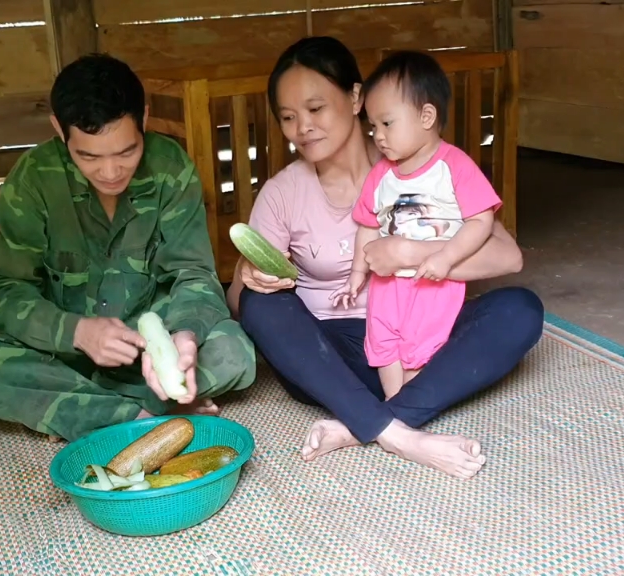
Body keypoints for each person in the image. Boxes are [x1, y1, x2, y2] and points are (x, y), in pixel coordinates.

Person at [226, 37, 544, 480]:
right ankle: (400, 433)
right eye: (288, 117)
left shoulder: (424, 168)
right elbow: (242, 306)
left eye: (316, 109)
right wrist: (249, 276)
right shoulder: (283, 193)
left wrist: (411, 254)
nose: (303, 127)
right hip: (332, 356)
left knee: (519, 309)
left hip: (423, 338)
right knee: (263, 307)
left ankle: (362, 424)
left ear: (356, 97)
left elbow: (507, 257)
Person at [0, 53, 257, 443]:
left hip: (147, 353)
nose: (111, 172)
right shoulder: (34, 179)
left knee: (237, 353)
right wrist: (77, 332)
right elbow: (3, 294)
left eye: (126, 152)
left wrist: (182, 337)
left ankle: (82, 410)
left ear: (144, 120)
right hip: (59, 356)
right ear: (59, 130)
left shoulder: (171, 168)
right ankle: (142, 412)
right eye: (89, 156)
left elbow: (194, 274)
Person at [331, 51, 500, 403]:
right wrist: (357, 273)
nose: (377, 135)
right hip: (386, 283)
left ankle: (410, 402)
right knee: (383, 340)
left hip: (433, 282)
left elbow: (481, 220)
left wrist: (446, 257)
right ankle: (397, 405)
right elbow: (368, 224)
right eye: (373, 126)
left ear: (426, 116)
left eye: (387, 123)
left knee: (421, 344)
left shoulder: (454, 166)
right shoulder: (381, 175)